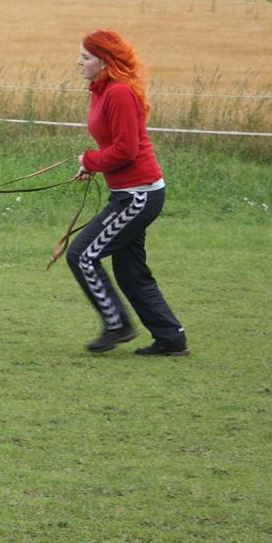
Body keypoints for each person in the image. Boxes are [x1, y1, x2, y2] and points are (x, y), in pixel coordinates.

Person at [66, 29, 188, 356]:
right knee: (130, 271)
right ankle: (170, 338)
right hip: (131, 192)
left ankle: (116, 322)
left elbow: (126, 151)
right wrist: (92, 164)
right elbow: (115, 145)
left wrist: (90, 159)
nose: (79, 62)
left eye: (86, 57)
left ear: (104, 62)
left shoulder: (119, 92)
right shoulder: (102, 90)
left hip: (138, 195)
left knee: (82, 254)